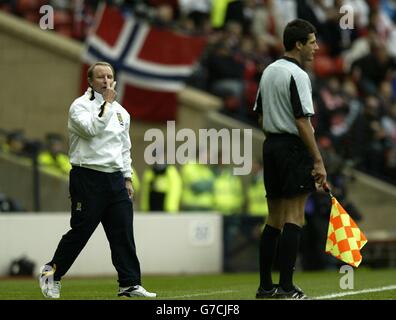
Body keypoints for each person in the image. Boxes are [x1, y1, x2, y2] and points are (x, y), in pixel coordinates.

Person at [39, 61, 156, 299]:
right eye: (100, 77)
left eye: (109, 76)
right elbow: (92, 130)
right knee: (80, 232)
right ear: (90, 81)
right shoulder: (79, 107)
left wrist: (127, 177)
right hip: (88, 177)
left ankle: (129, 283)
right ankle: (50, 274)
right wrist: (109, 103)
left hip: (115, 180)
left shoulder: (122, 113)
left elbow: (125, 149)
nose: (106, 80)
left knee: (123, 232)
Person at [253, 19, 327, 299]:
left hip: (270, 146)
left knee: (273, 219)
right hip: (292, 149)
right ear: (298, 44)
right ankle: (286, 287)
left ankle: (265, 287)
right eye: (312, 42)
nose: (317, 48)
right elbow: (302, 121)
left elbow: (260, 114)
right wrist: (318, 161)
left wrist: (276, 133)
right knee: (295, 216)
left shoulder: (268, 71)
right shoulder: (299, 75)